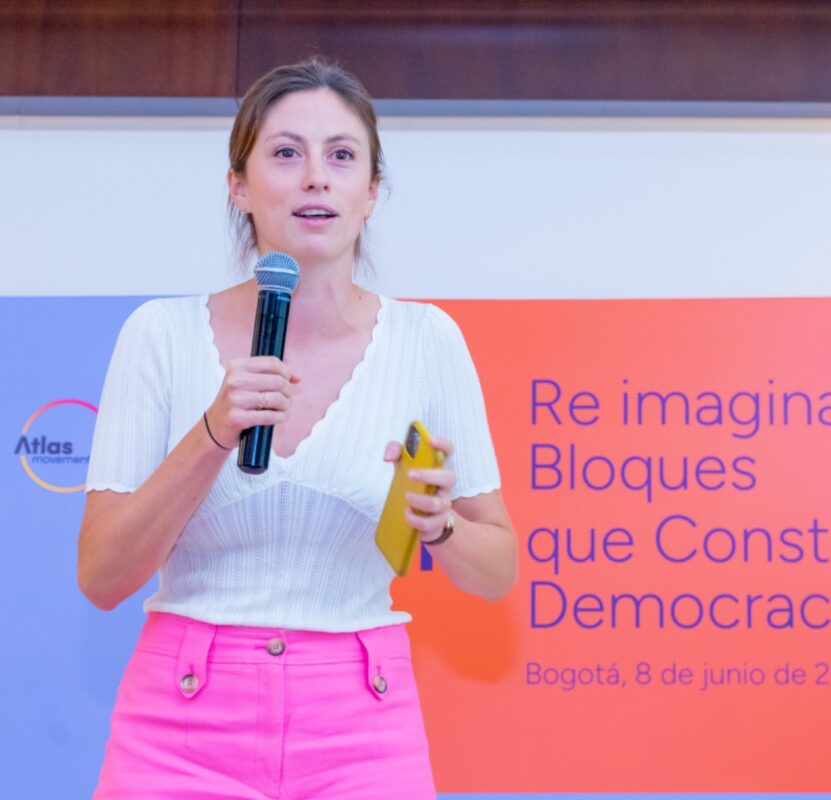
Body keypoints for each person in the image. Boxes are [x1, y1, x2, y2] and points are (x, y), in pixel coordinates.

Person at [77, 57, 517, 799]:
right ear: (239, 186)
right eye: (286, 153)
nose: (316, 177)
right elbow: (101, 576)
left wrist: (441, 527)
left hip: (361, 724)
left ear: (371, 192)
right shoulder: (159, 334)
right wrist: (215, 431)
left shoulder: (426, 341)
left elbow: (497, 570)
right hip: (181, 722)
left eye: (342, 156)